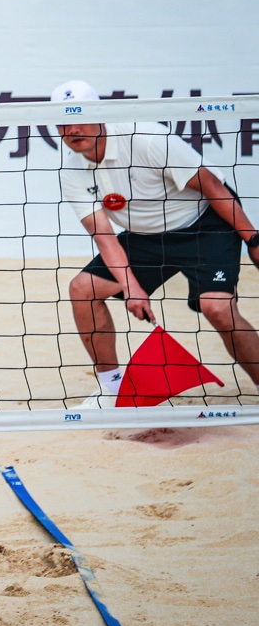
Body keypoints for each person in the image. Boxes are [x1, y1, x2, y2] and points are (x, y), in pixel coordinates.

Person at [54, 79, 259, 406]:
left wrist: (253, 239)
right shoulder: (71, 171)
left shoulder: (148, 138)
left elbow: (213, 187)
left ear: (100, 115)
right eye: (63, 122)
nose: (72, 129)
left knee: (217, 308)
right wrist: (131, 288)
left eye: (80, 118)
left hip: (204, 225)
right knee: (82, 289)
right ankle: (112, 388)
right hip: (145, 237)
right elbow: (105, 238)